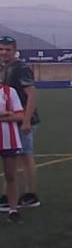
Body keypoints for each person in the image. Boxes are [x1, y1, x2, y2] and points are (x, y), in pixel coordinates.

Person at [0, 35, 40, 210]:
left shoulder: (20, 68)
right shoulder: (3, 68)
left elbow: (31, 94)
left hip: (22, 119)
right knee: (9, 158)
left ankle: (30, 194)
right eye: (1, 49)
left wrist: (26, 120)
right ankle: (9, 196)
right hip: (9, 119)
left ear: (15, 50)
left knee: (25, 155)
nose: (4, 53)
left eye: (8, 49)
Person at [0, 84, 24, 223]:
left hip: (9, 139)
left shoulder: (9, 91)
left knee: (10, 176)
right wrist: (5, 113)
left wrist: (4, 117)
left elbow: (20, 115)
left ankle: (13, 210)